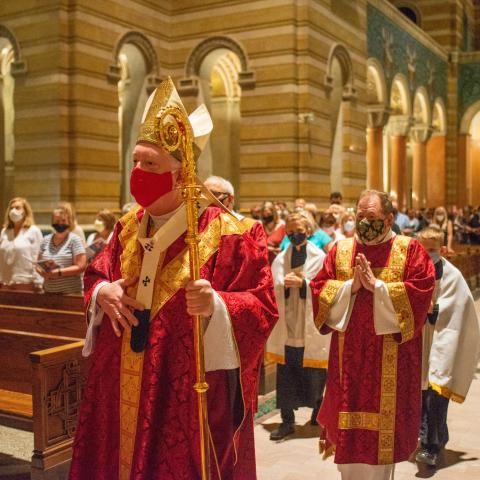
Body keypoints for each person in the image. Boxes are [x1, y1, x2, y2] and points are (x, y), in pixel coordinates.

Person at [69, 77, 278, 480]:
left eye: (150, 165)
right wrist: (102, 292)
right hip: (118, 384)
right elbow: (97, 272)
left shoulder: (233, 234)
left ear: (182, 176)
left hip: (182, 395)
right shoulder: (127, 227)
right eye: (135, 161)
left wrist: (217, 305)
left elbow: (263, 306)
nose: (138, 172)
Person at [310, 189, 435, 480]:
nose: (364, 222)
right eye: (360, 216)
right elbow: (319, 289)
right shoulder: (340, 250)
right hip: (348, 363)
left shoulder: (410, 250)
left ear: (390, 218)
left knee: (382, 446)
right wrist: (349, 288)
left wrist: (377, 287)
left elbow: (420, 293)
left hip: (390, 361)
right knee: (349, 444)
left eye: (372, 217)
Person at [416, 226, 480, 467]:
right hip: (420, 340)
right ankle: (436, 436)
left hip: (444, 340)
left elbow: (462, 306)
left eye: (432, 250)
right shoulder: (413, 272)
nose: (427, 254)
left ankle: (430, 446)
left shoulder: (453, 276)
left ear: (442, 249)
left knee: (436, 395)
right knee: (422, 397)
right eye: (423, 250)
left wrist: (438, 309)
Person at [267, 213, 329, 440]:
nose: (294, 234)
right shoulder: (281, 259)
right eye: (290, 231)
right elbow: (271, 286)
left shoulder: (320, 258)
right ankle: (287, 421)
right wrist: (283, 285)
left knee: (315, 373)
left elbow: (326, 288)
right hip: (288, 324)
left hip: (308, 325)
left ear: (309, 230)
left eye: (298, 230)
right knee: (286, 373)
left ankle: (318, 412)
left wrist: (304, 284)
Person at [37, 207, 86, 294]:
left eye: (63, 221)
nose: (60, 223)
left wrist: (59, 272)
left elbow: (81, 266)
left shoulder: (74, 240)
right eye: (57, 221)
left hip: (70, 293)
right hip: (48, 292)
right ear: (52, 223)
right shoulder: (45, 240)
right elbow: (38, 263)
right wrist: (42, 273)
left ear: (69, 222)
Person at [0, 197, 43, 291]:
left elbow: (39, 258)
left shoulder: (33, 231)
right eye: (11, 208)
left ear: (25, 212)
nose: (13, 210)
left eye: (18, 208)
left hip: (26, 282)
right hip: (5, 282)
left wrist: (38, 282)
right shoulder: (5, 232)